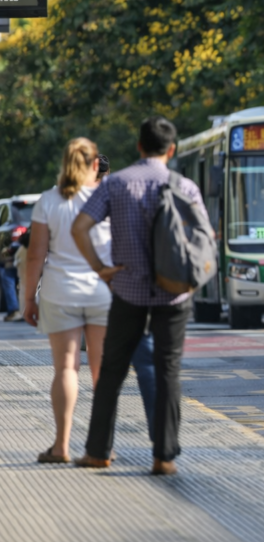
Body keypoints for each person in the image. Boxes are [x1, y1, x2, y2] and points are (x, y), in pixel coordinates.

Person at [70, 117, 209, 476]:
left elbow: (79, 227)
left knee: (112, 371)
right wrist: (193, 279)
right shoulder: (185, 186)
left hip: (127, 292)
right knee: (168, 371)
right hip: (174, 295)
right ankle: (164, 457)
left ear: (138, 146)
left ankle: (98, 451)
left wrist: (101, 269)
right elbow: (206, 239)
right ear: (172, 149)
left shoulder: (115, 184)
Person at [23, 138, 112, 464]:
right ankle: (102, 448)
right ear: (93, 165)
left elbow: (35, 255)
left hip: (60, 292)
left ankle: (61, 446)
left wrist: (28, 298)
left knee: (65, 368)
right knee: (102, 371)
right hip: (102, 292)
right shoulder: (107, 197)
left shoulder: (49, 200)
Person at [97, 153, 158, 445]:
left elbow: (77, 231)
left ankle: (99, 448)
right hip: (142, 290)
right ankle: (162, 445)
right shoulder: (171, 185)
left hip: (100, 289)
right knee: (150, 365)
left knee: (106, 370)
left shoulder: (84, 197)